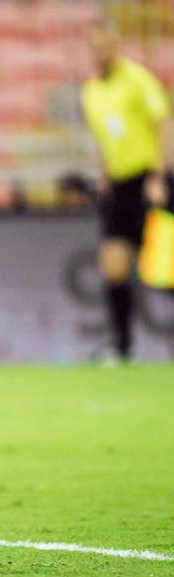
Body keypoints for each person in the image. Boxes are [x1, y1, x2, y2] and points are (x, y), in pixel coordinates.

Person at [81, 21, 173, 360]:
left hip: (148, 182)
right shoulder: (90, 91)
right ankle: (123, 349)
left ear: (116, 45)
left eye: (105, 45)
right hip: (119, 186)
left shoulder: (138, 79)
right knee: (113, 266)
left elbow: (161, 125)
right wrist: (103, 176)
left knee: (164, 269)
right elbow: (103, 138)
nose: (99, 52)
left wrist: (158, 177)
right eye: (94, 46)